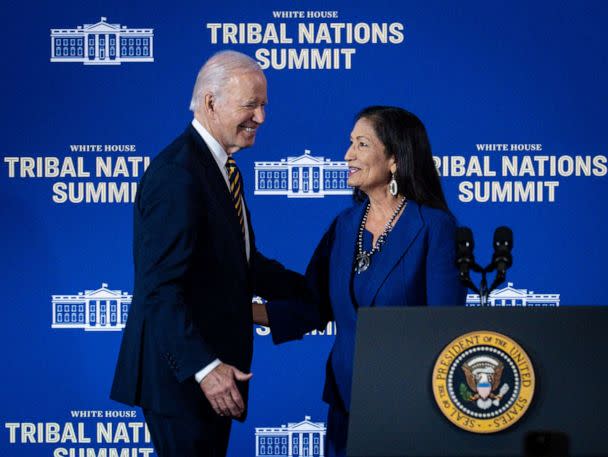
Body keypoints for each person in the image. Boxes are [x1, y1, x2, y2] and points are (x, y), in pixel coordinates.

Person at [110, 50, 306, 457]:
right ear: (212, 102)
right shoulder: (177, 174)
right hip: (185, 380)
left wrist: (320, 290)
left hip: (214, 375)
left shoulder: (219, 168)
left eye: (264, 105)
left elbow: (244, 265)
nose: (261, 117)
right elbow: (159, 289)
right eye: (250, 105)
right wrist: (205, 367)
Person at [254, 106, 467, 457]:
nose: (348, 155)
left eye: (362, 144)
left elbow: (445, 329)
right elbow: (312, 306)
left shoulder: (435, 227)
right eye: (350, 143)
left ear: (395, 159)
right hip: (345, 403)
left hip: (408, 408)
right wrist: (235, 309)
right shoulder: (344, 225)